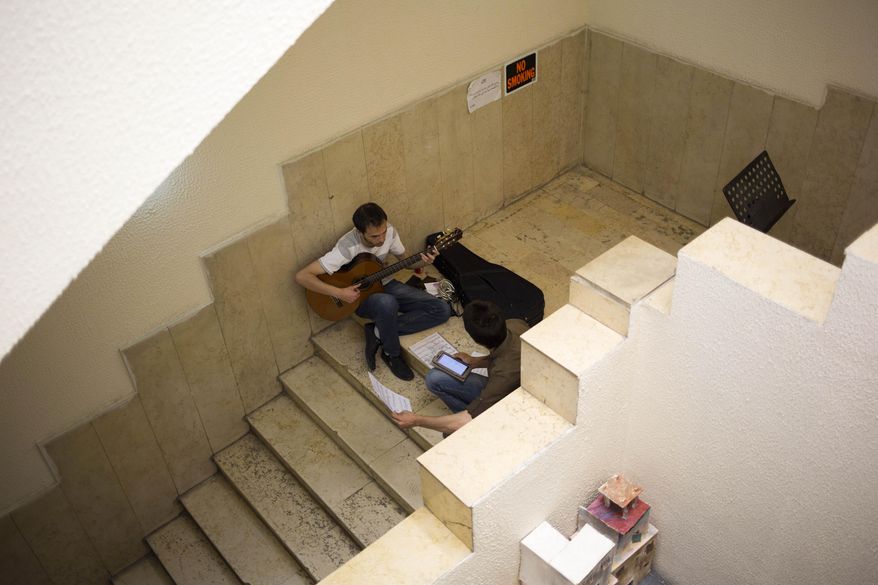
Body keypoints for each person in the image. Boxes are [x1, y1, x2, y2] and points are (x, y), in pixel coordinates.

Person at [295, 202, 451, 380]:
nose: (382, 239)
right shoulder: (347, 248)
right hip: (357, 298)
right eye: (375, 236)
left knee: (442, 309)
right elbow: (302, 276)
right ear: (360, 232)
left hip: (383, 282)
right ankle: (392, 354)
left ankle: (377, 332)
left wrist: (425, 260)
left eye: (383, 232)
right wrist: (339, 293)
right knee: (387, 303)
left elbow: (408, 263)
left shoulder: (389, 231)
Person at [391, 300, 528, 434]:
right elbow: (508, 356)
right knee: (434, 377)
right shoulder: (516, 324)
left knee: (455, 418)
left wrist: (416, 420)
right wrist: (476, 362)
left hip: (514, 403)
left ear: (476, 340)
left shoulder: (501, 378)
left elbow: (463, 420)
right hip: (518, 381)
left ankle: (472, 429)